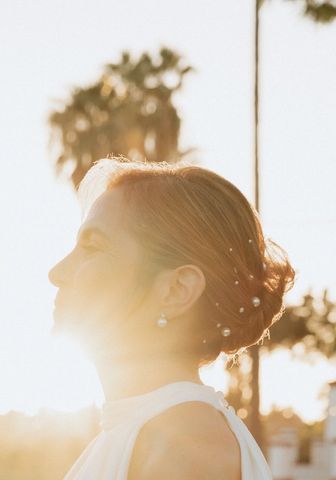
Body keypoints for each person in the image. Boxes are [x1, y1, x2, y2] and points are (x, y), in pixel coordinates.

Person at [49, 159, 294, 480]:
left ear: (176, 290)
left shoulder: (185, 450)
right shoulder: (141, 431)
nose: (56, 273)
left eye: (93, 247)